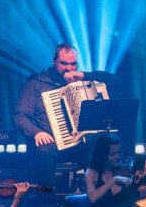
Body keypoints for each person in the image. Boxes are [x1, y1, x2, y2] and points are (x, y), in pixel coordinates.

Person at [13, 43, 112, 185]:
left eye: (73, 64)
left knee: (105, 141)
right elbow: (20, 115)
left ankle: (98, 195)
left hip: (79, 144)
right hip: (51, 144)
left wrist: (84, 75)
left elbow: (116, 81)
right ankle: (46, 199)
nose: (69, 68)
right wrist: (37, 132)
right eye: (64, 63)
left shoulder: (83, 82)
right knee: (45, 151)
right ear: (54, 62)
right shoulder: (36, 83)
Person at [84, 134, 132, 207]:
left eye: (119, 153)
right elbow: (93, 197)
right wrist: (114, 180)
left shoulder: (124, 170)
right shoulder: (91, 173)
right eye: (112, 154)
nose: (118, 157)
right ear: (102, 154)